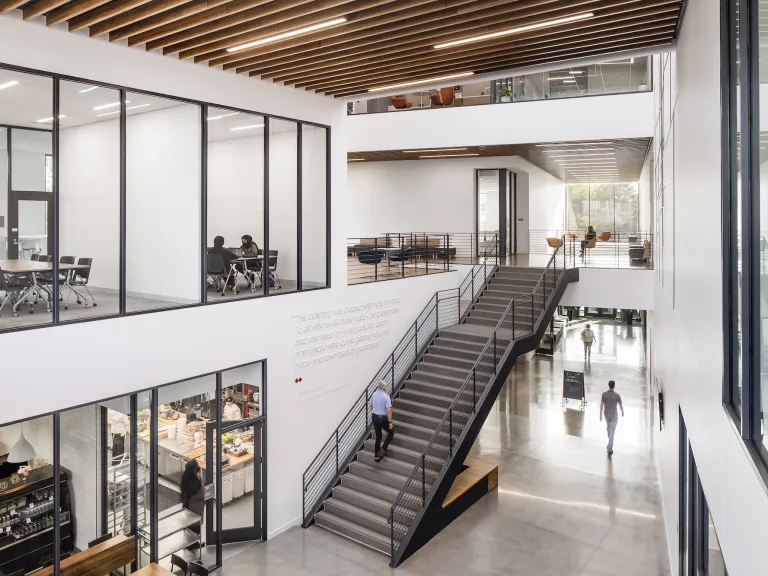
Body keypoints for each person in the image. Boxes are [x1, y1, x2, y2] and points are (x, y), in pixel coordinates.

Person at [180, 459, 204, 547]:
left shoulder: (186, 477)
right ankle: (192, 544)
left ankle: (193, 543)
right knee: (195, 525)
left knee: (191, 524)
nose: (198, 467)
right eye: (197, 466)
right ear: (194, 469)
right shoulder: (193, 481)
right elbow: (192, 497)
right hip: (194, 507)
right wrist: (203, 496)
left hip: (190, 506)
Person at [370, 381, 394, 462]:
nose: (387, 387)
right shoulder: (386, 397)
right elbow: (389, 411)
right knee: (391, 432)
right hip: (381, 418)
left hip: (374, 417)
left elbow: (371, 406)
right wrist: (390, 422)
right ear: (383, 387)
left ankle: (376, 456)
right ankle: (383, 449)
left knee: (378, 436)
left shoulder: (374, 394)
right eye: (386, 385)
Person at [600, 380, 624, 456]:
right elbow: (620, 405)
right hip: (614, 415)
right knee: (612, 432)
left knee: (609, 429)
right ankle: (609, 448)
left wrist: (600, 415)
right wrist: (622, 411)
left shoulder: (604, 394)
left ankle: (609, 446)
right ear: (614, 386)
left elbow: (601, 405)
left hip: (606, 414)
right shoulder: (617, 396)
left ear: (608, 385)